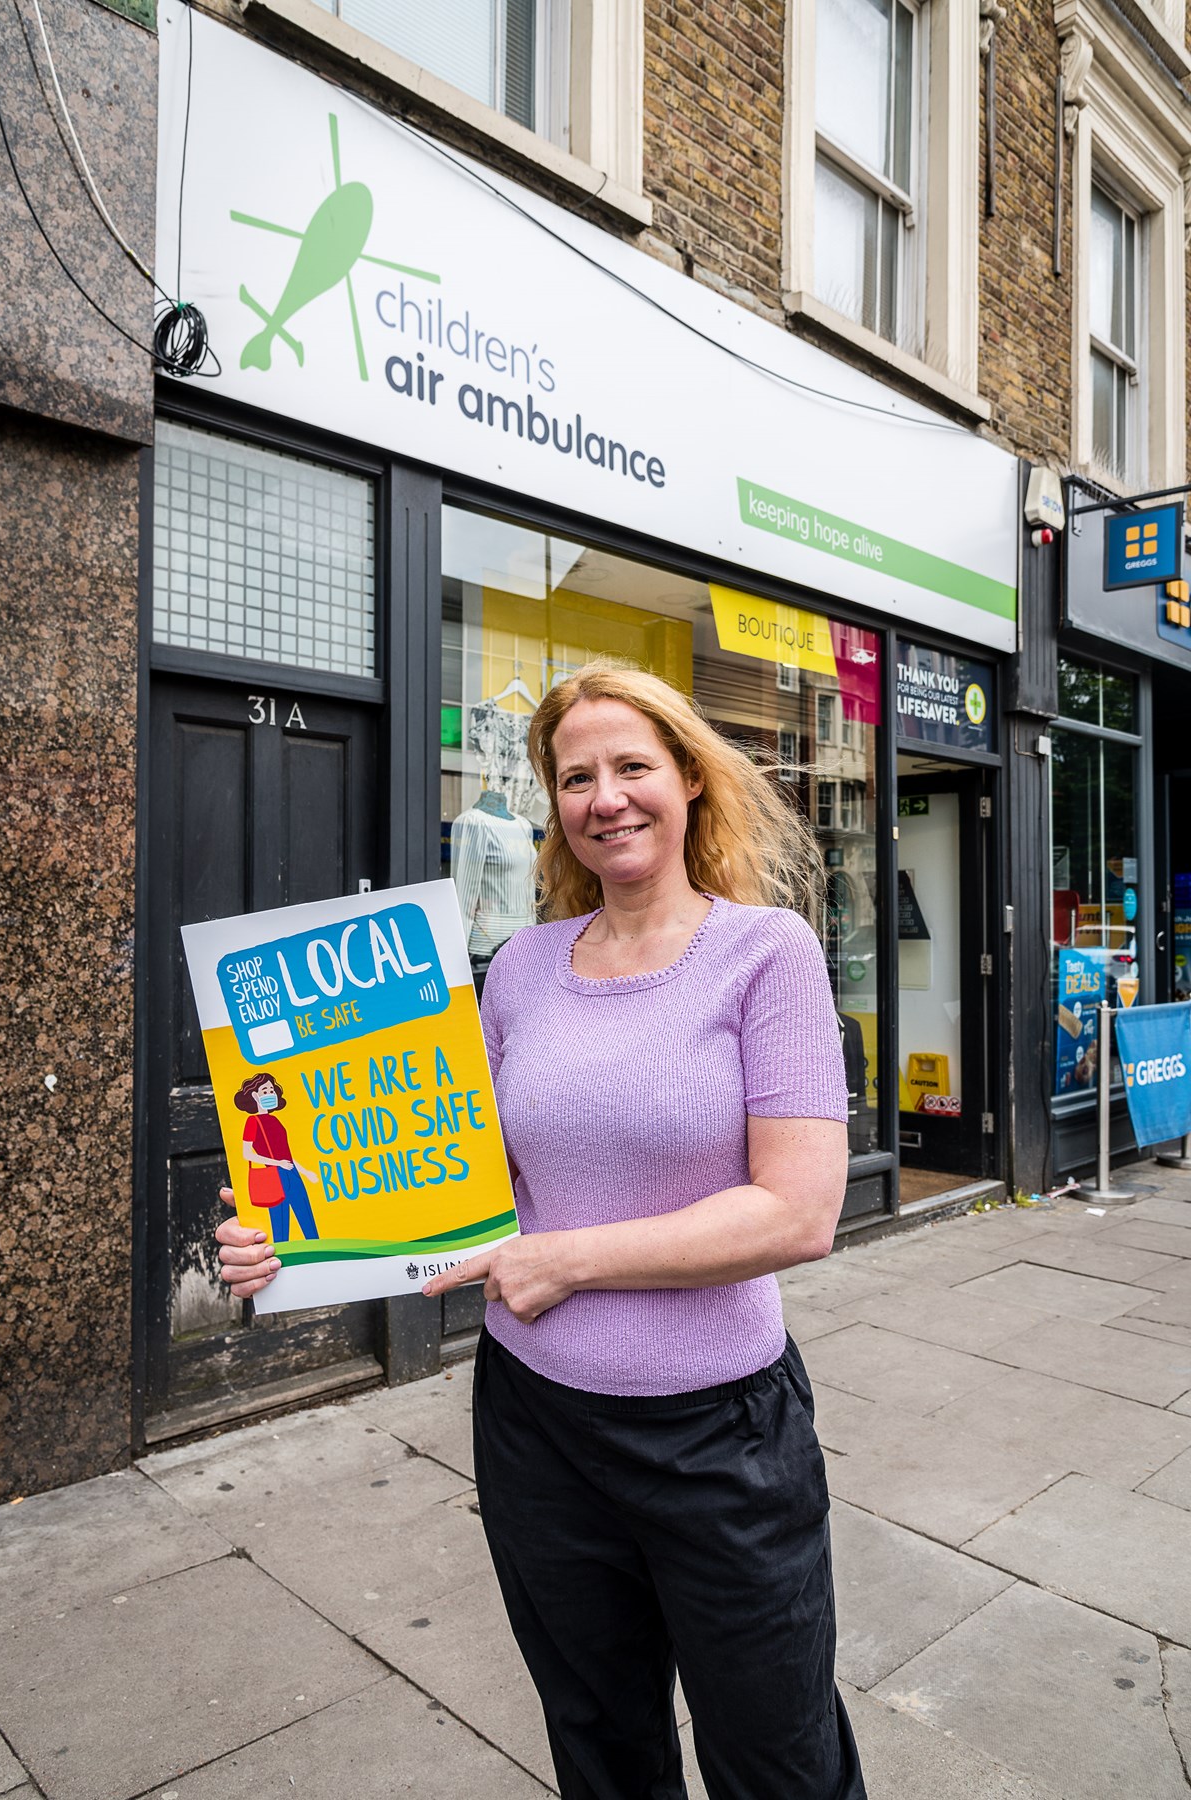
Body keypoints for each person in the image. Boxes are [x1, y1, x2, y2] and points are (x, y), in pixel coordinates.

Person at [216, 661, 866, 1800]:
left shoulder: (768, 952)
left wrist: (564, 1259)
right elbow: (460, 1184)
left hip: (721, 1438)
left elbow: (798, 1211)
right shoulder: (517, 969)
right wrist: (296, 1236)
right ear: (554, 806)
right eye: (576, 777)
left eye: (631, 767)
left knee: (779, 1758)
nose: (605, 796)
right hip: (537, 1431)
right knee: (599, 1744)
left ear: (689, 782)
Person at [233, 1071, 321, 1244]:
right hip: (273, 1176)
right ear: (254, 1095)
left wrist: (305, 1171)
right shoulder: (252, 1121)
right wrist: (276, 1163)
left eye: (271, 1090)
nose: (270, 1094)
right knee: (280, 1226)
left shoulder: (275, 1120)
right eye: (265, 1091)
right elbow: (247, 1153)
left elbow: (286, 1153)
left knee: (307, 1219)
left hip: (292, 1173)